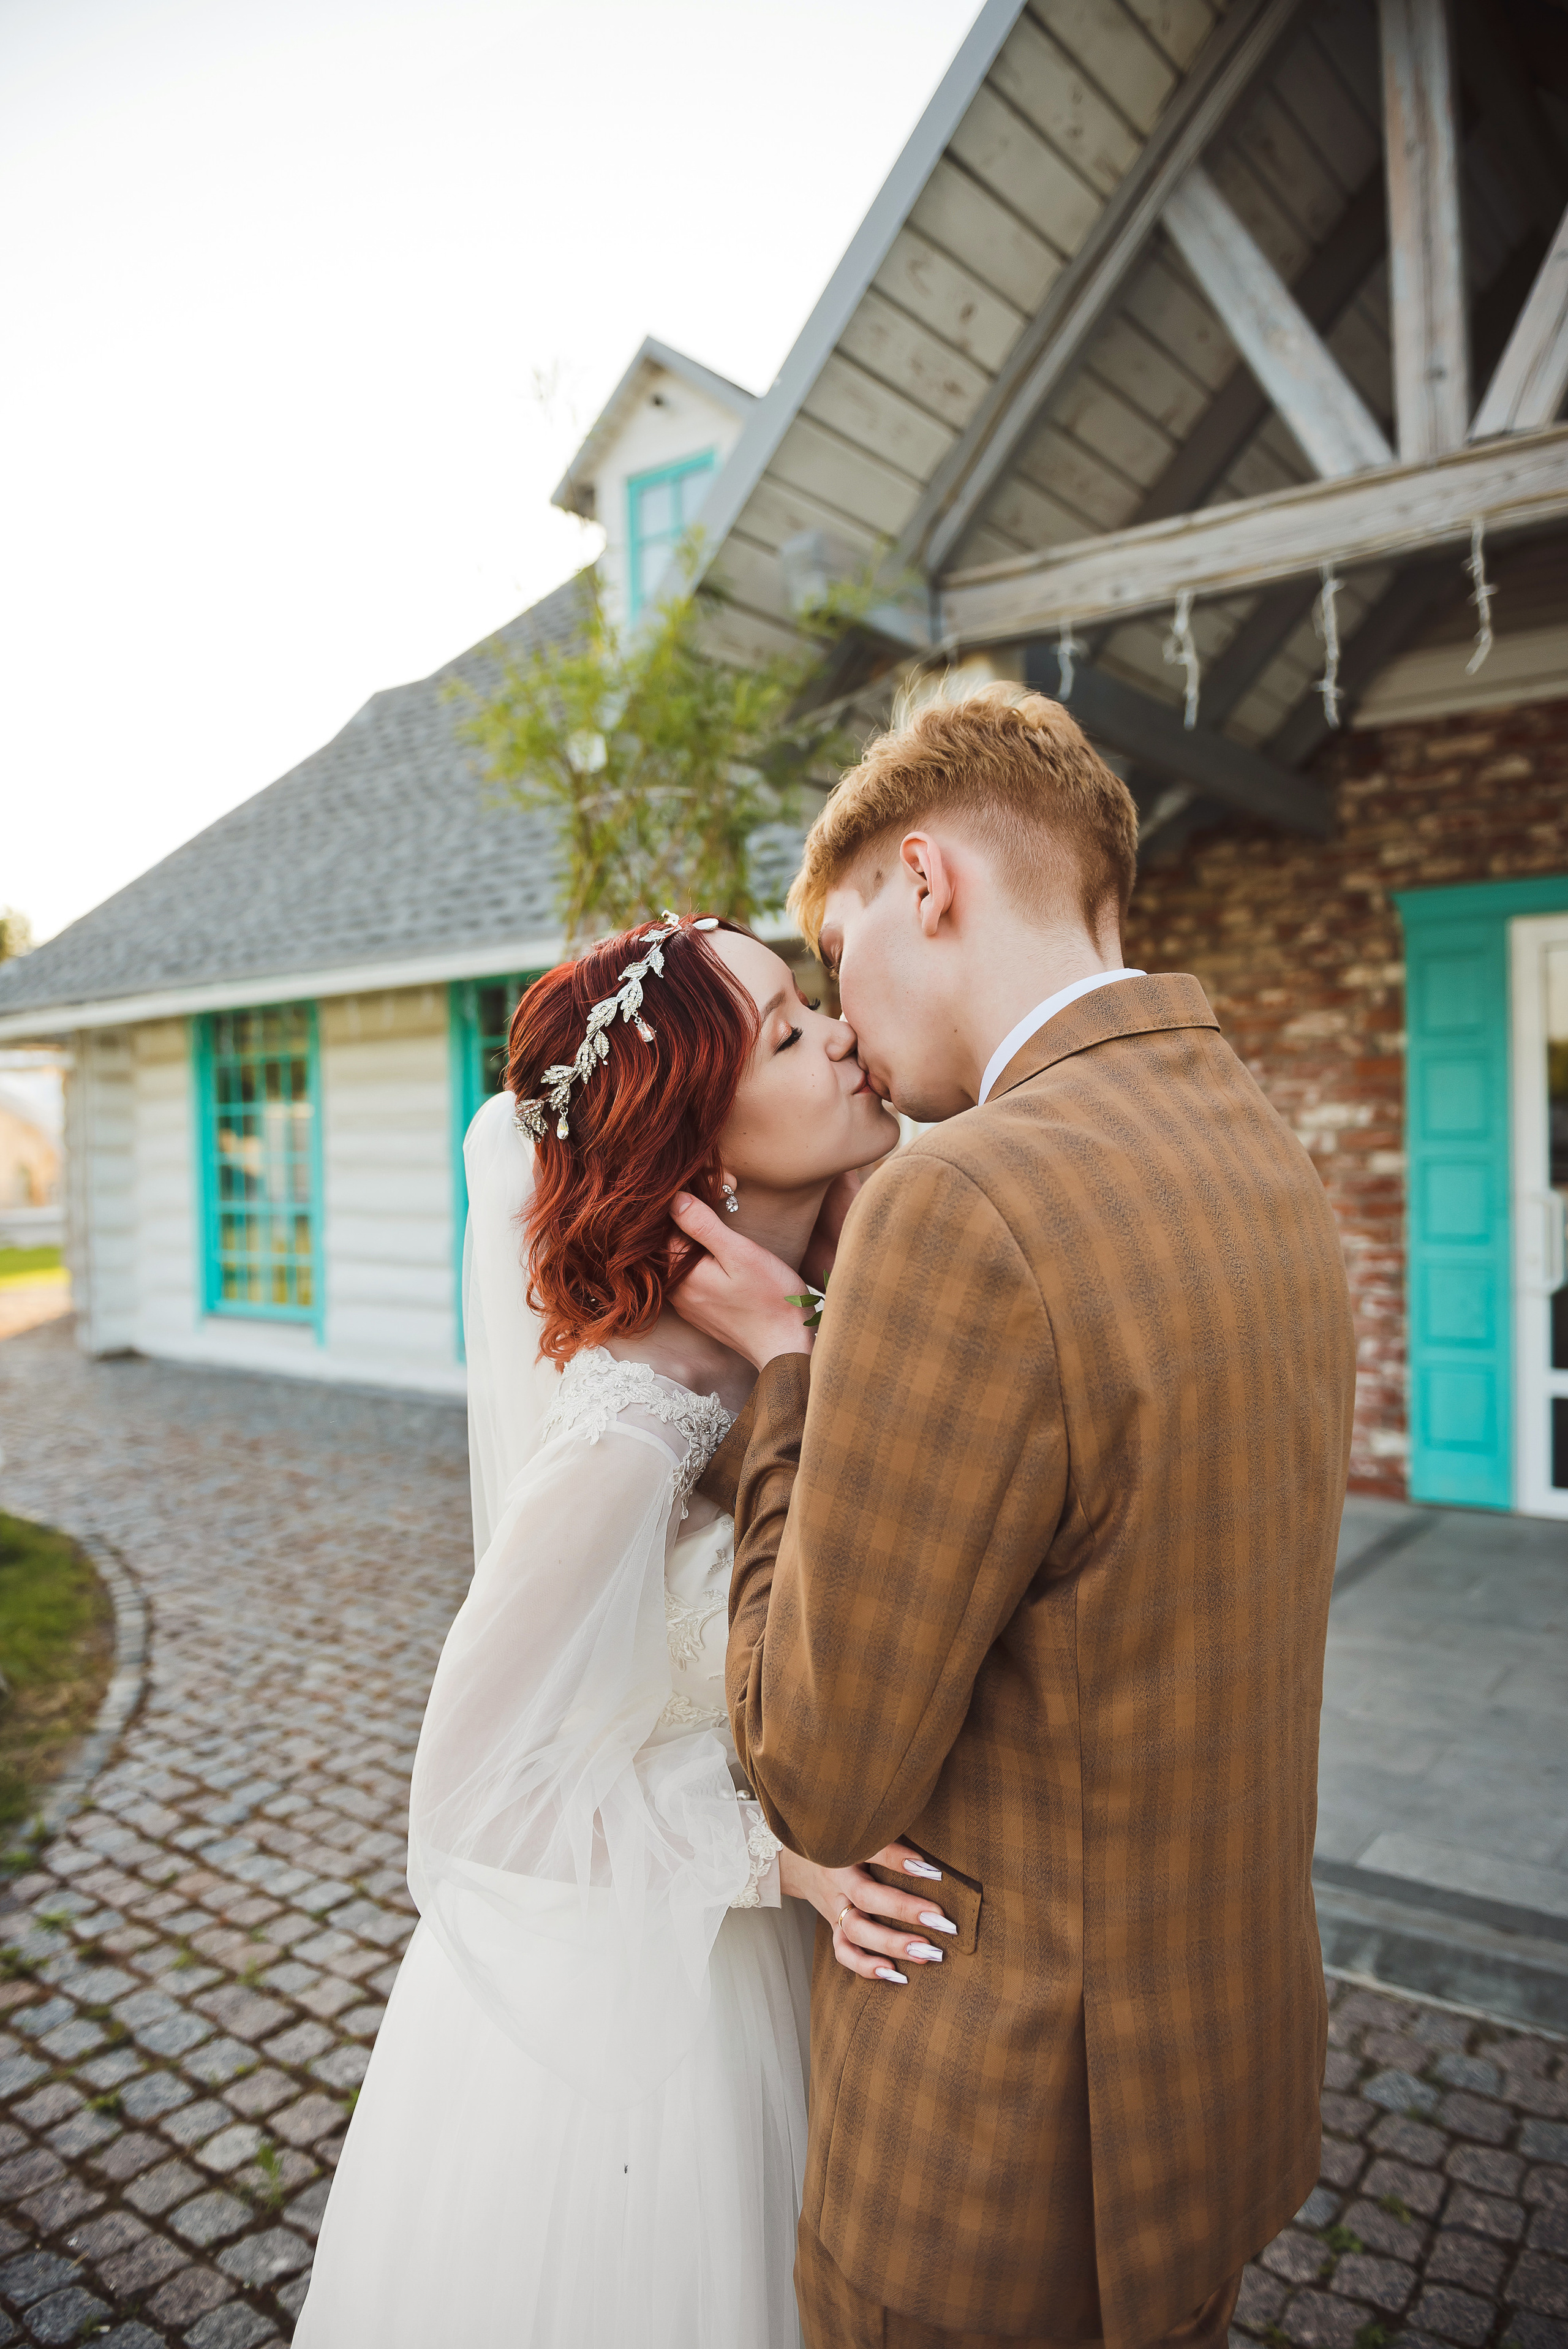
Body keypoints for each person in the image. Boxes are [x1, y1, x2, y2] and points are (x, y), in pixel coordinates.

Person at [670, 683, 1359, 2349]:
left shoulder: (959, 1205)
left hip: (995, 2170)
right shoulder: (1269, 1152)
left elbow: (823, 1769)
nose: (846, 1021)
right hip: (1212, 2103)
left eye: (835, 958)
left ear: (928, 882)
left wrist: (787, 1381)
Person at [293, 912, 957, 2349]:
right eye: (790, 1030)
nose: (842, 1031)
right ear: (702, 1153)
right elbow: (467, 1799)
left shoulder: (813, 1317)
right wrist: (777, 1865)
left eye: (811, 1004)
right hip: (669, 2018)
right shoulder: (629, 1420)